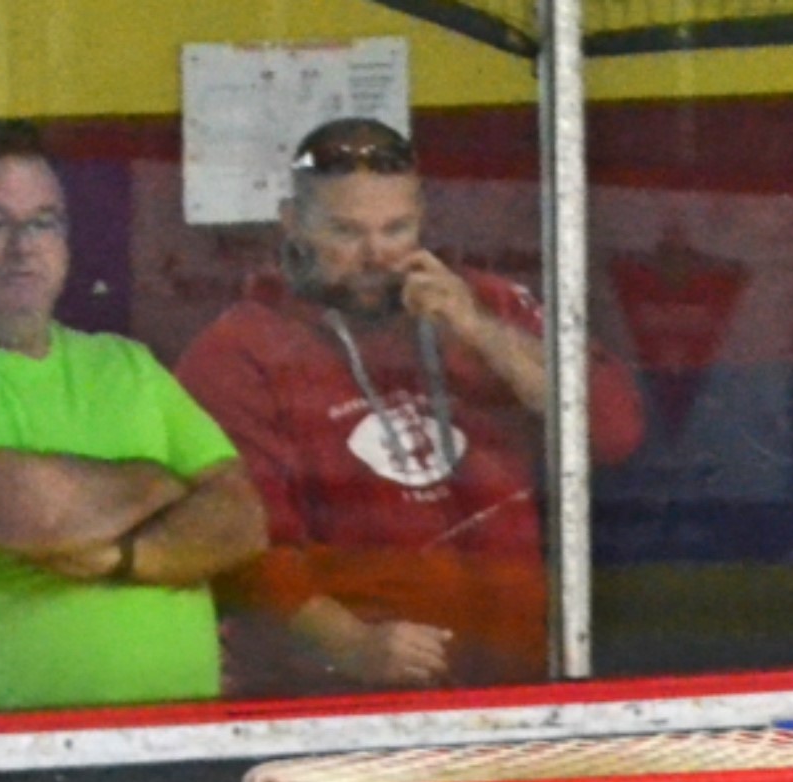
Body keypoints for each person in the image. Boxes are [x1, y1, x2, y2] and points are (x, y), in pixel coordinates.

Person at [173, 117, 643, 695]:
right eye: (345, 232)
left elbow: (615, 430)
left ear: (422, 218)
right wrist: (350, 646)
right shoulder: (239, 350)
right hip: (336, 701)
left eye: (396, 228)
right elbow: (244, 550)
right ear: (293, 224)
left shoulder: (486, 304)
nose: (375, 255)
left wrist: (478, 330)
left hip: (517, 688)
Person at [0, 123, 264, 715]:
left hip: (181, 742)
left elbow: (241, 521)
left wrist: (116, 555)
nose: (23, 245)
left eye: (43, 221)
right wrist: (163, 485)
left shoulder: (126, 363)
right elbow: (33, 514)